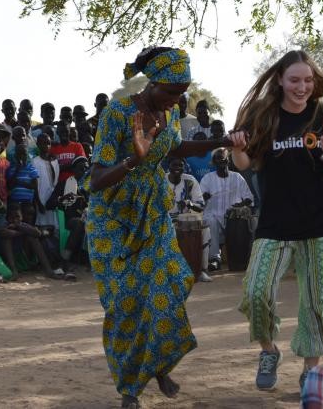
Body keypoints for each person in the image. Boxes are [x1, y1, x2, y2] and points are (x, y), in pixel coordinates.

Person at [87, 47, 235, 408]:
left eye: (182, 93)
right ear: (152, 83)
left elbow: (174, 147)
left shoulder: (166, 113)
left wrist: (222, 141)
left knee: (172, 281)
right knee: (125, 303)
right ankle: (129, 388)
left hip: (152, 215)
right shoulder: (118, 114)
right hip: (114, 222)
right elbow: (95, 180)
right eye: (171, 91)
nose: (176, 100)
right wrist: (132, 160)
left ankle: (158, 361)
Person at [232, 50, 323, 392]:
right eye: (294, 80)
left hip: (318, 226)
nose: (302, 87)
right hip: (274, 225)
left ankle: (310, 371)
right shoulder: (263, 114)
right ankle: (269, 351)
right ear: (280, 80)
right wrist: (236, 147)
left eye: (308, 80)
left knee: (318, 305)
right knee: (256, 293)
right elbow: (245, 164)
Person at [200, 148, 253, 270]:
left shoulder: (237, 177)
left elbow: (249, 198)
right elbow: (200, 201)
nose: (221, 162)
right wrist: (204, 197)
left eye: (223, 159)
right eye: (218, 160)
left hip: (233, 218)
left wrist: (241, 204)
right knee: (211, 221)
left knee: (240, 219)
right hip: (213, 217)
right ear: (213, 163)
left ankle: (239, 259)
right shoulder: (207, 179)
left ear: (228, 160)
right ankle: (215, 259)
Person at [165, 157, 211, 282]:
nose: (177, 168)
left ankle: (201, 270)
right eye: (174, 165)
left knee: (205, 231)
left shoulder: (190, 181)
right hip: (165, 219)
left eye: (181, 166)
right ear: (168, 166)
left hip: (186, 220)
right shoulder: (161, 181)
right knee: (170, 232)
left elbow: (200, 206)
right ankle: (172, 272)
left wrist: (189, 204)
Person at [31, 133, 60, 229]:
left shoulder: (55, 161)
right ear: (38, 144)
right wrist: (38, 203)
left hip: (52, 199)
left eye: (48, 143)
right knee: (41, 226)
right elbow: (34, 185)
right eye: (44, 143)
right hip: (41, 199)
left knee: (53, 227)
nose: (46, 145)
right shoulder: (35, 162)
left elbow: (55, 183)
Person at [6, 136, 40, 206]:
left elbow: (34, 186)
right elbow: (10, 185)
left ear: (27, 155)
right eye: (19, 154)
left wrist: (19, 182)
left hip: (28, 202)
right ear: (15, 156)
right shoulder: (11, 168)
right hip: (15, 202)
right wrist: (17, 170)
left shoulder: (31, 168)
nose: (21, 157)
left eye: (24, 154)